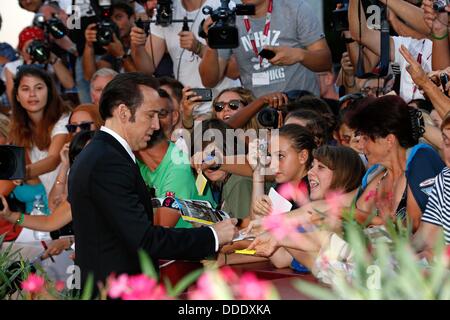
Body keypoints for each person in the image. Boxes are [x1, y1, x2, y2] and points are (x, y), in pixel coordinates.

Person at [67, 72, 237, 289]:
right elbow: (145, 240)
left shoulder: (101, 154)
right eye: (150, 115)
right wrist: (213, 235)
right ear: (123, 112)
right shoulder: (108, 161)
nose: (157, 125)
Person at [347, 95, 445, 231]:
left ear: (389, 140)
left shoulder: (421, 159)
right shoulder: (375, 174)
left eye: (366, 138)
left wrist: (361, 217)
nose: (361, 145)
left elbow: (416, 227)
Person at [199, 0, 332, 98]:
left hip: (300, 110)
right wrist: (211, 44)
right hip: (258, 116)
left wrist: (299, 55)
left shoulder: (295, 9)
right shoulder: (230, 18)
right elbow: (209, 81)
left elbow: (325, 62)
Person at [130, 0, 240, 116]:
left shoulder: (222, 6)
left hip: (222, 108)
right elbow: (147, 69)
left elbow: (235, 71)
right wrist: (137, 46)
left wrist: (199, 48)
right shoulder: (165, 9)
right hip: (186, 109)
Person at [2, 26, 75, 106]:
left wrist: (52, 58)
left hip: (53, 110)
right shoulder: (12, 68)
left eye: (37, 45)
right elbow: (14, 101)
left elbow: (70, 85)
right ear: (21, 50)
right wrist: (27, 68)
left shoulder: (51, 64)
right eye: (29, 46)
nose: (35, 50)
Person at [82, 0, 138, 81]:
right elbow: (91, 77)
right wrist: (88, 45)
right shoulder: (115, 45)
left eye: (118, 17)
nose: (114, 23)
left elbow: (142, 81)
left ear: (132, 17)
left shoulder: (144, 39)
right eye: (110, 19)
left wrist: (121, 55)